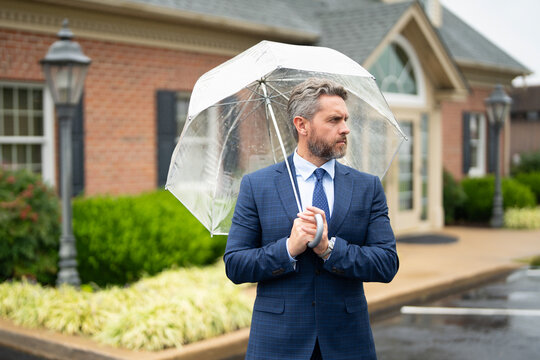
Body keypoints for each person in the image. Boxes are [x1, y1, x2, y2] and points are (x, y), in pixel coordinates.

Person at [224, 78, 398, 360]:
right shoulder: (258, 185)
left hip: (347, 343)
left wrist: (329, 249)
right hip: (277, 344)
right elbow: (235, 264)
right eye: (333, 120)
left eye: (345, 119)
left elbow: (387, 263)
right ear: (301, 125)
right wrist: (288, 249)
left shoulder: (367, 187)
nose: (345, 128)